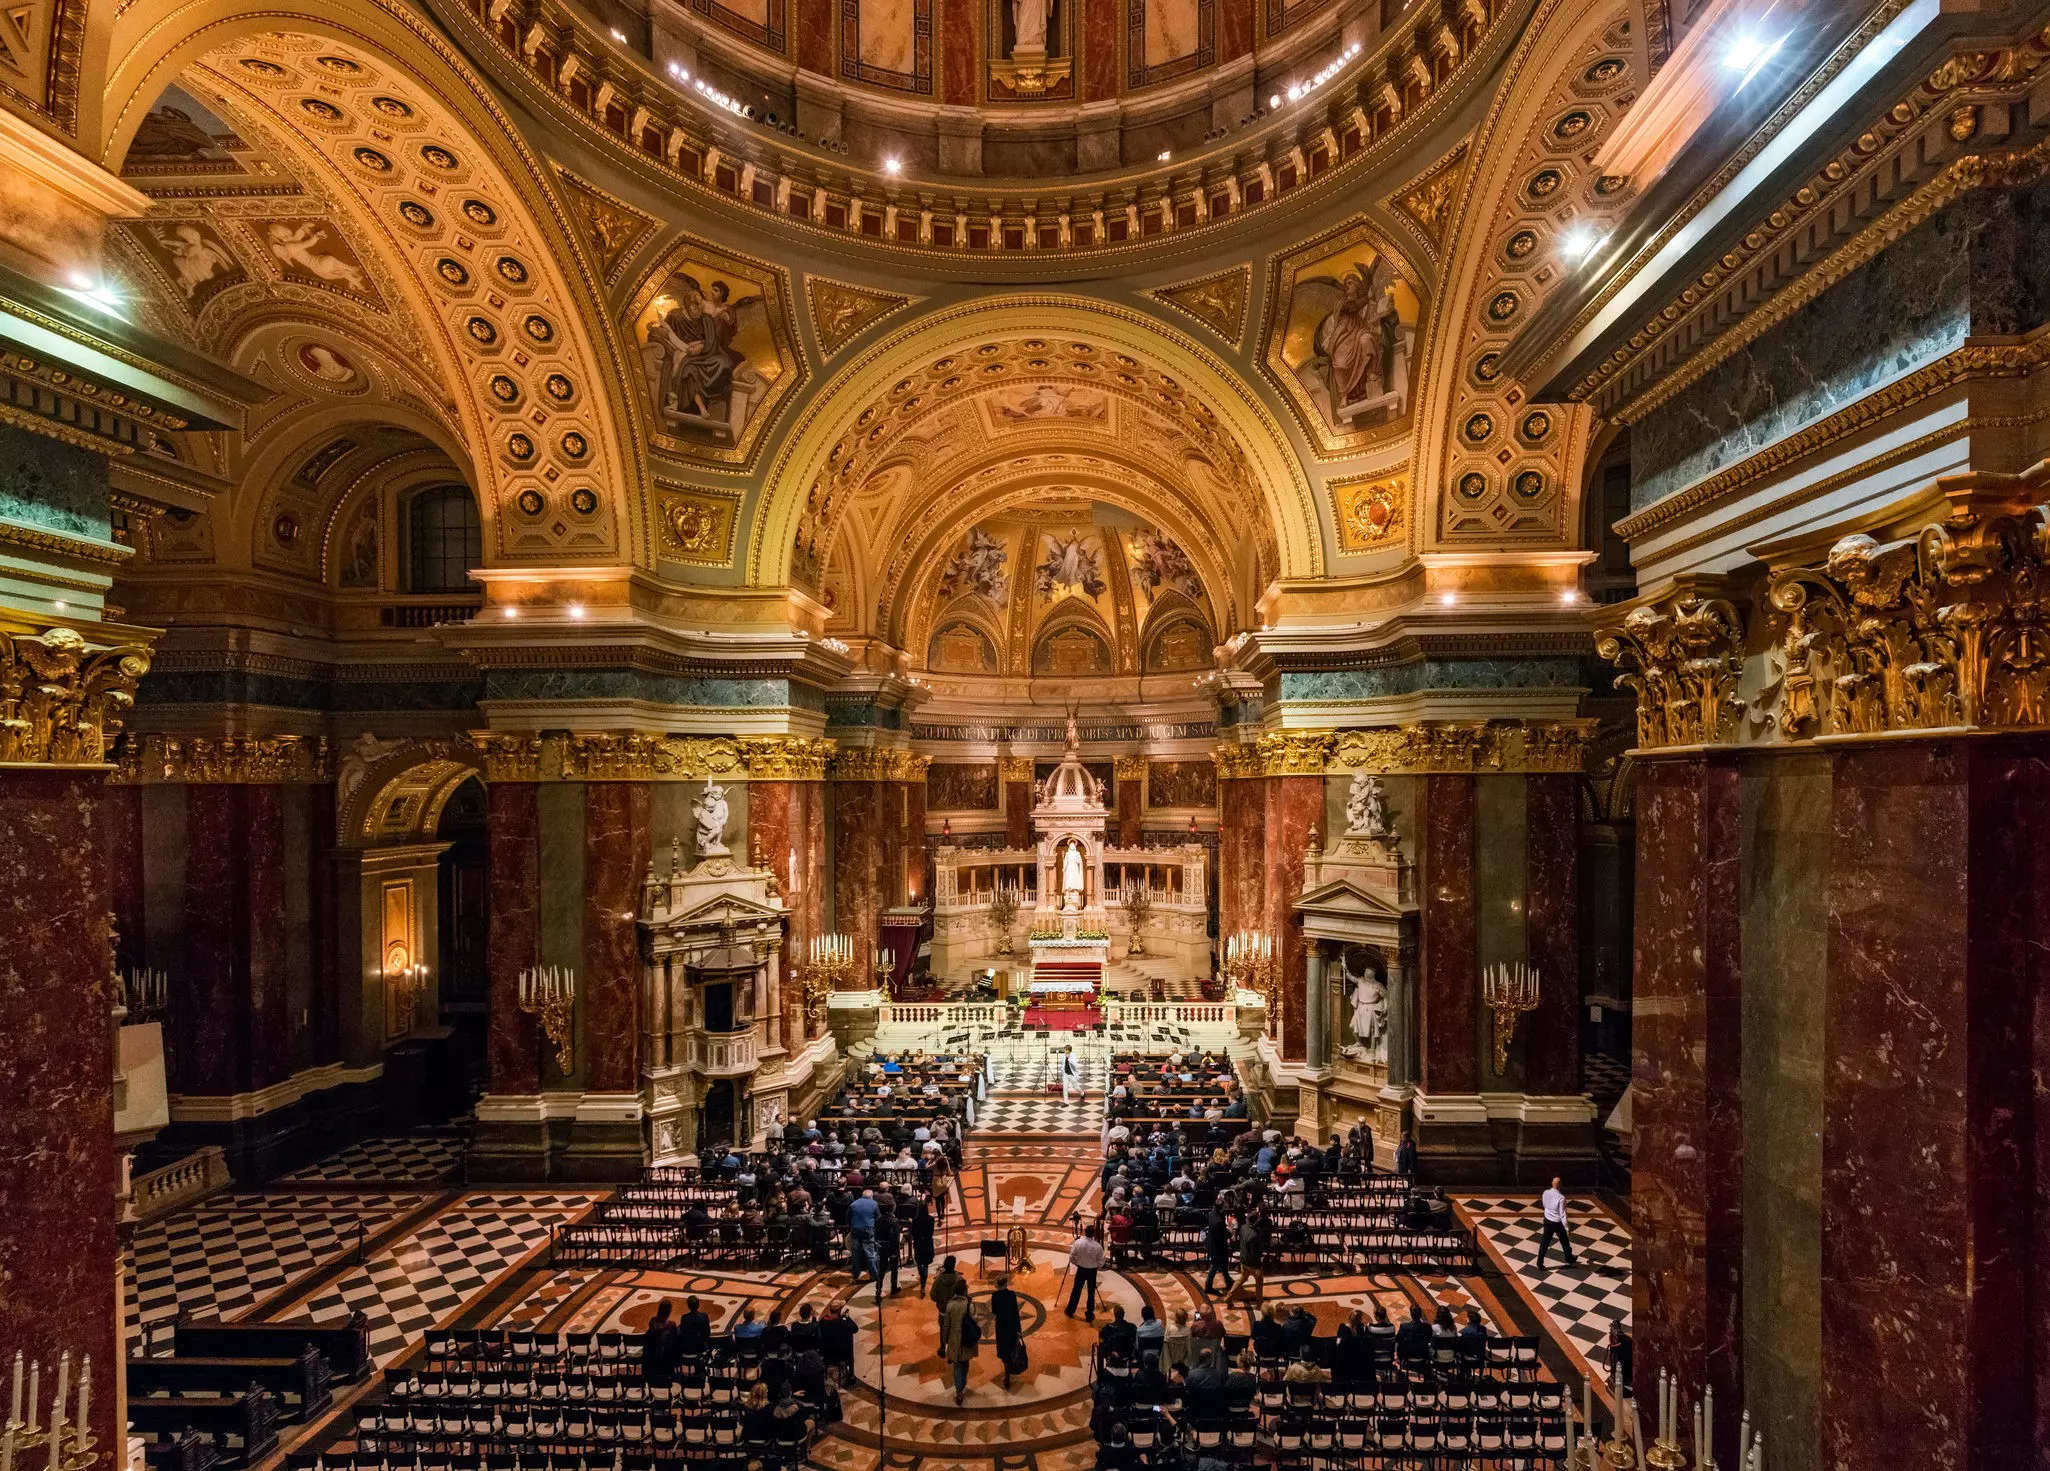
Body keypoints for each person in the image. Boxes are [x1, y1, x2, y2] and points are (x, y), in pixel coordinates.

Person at [941, 1286, 978, 1404]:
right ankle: (960, 1388)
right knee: (964, 1363)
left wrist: (944, 1340)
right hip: (966, 1339)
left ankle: (959, 1389)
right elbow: (975, 1320)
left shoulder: (950, 1305)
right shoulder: (969, 1305)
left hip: (954, 1339)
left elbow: (946, 1325)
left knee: (957, 1364)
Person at [1065, 1223, 1106, 1319]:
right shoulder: (1097, 1246)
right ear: (1093, 1234)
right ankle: (1089, 1314)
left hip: (1081, 1269)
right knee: (1091, 1293)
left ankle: (1070, 1310)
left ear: (1085, 1232)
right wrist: (1097, 1267)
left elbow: (1071, 1257)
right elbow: (1102, 1260)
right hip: (1092, 1271)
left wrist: (1077, 1263)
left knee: (1076, 1291)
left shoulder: (1078, 1242)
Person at [991, 1274, 1025, 1388]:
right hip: (1012, 1326)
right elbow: (1015, 1313)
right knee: (1011, 1347)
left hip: (1001, 1326)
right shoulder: (1011, 1295)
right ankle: (1008, 1370)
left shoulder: (994, 1296)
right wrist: (1019, 1329)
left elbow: (994, 1311)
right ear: (1006, 1283)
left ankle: (1007, 1369)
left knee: (1003, 1346)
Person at [1538, 1176, 1577, 1268]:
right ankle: (1569, 1258)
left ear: (1552, 1183)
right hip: (1557, 1223)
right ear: (1560, 1186)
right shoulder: (1561, 1198)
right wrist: (1567, 1227)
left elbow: (1544, 1205)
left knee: (1545, 1242)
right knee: (1565, 1242)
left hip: (1547, 1221)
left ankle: (1539, 1262)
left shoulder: (1545, 1193)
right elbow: (1562, 1214)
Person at [640, 1299, 675, 1383]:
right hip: (666, 1358)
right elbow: (674, 1341)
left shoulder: (653, 1322)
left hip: (651, 1358)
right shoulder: (671, 1325)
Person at [930, 1254, 968, 1333]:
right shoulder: (959, 1279)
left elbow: (933, 1296)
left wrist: (940, 1300)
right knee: (955, 1334)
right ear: (954, 1265)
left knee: (942, 1332)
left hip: (943, 1310)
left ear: (944, 1265)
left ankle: (942, 1345)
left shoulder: (937, 1280)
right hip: (956, 1311)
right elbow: (965, 1296)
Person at [1202, 1204, 1233, 1296]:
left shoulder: (1212, 1213)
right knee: (1215, 1266)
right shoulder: (1218, 1221)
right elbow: (1222, 1234)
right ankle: (1208, 1287)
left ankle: (1228, 1281)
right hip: (1218, 1246)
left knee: (1223, 1264)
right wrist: (1230, 1233)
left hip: (1213, 1243)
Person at [909, 1196, 937, 1294]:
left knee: (919, 1260)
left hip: (918, 1243)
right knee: (925, 1264)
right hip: (927, 1243)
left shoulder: (915, 1220)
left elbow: (912, 1232)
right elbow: (931, 1232)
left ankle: (922, 1277)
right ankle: (923, 1284)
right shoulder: (930, 1219)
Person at [677, 1295, 712, 1359]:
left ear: (689, 1307)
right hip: (701, 1348)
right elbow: (707, 1334)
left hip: (688, 1349)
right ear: (698, 1305)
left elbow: (682, 1333)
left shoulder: (685, 1318)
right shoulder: (704, 1317)